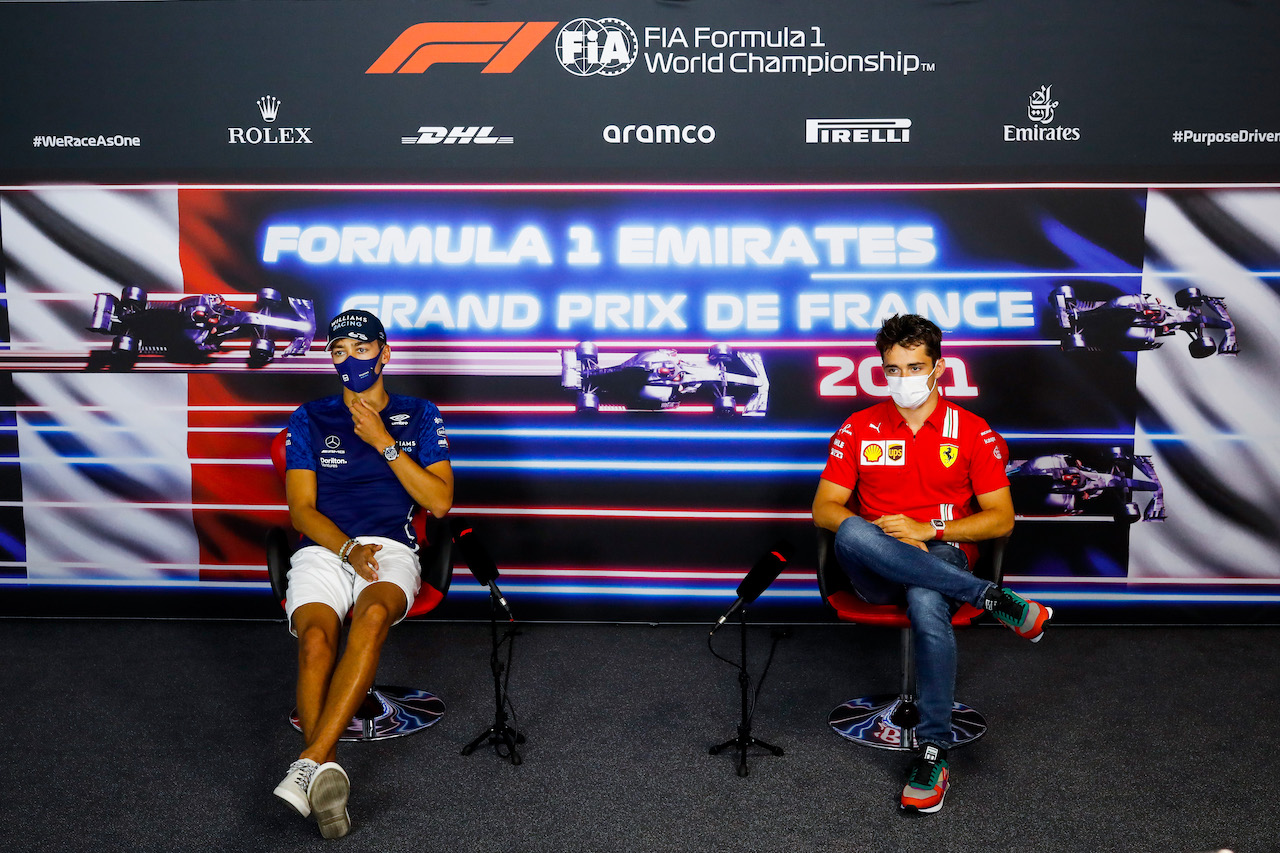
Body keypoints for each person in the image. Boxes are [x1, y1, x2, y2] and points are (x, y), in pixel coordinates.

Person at [811, 313, 1051, 815]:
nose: (903, 379)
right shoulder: (859, 427)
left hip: (942, 553)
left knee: (926, 598)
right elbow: (825, 508)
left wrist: (930, 531)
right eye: (892, 369)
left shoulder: (971, 431)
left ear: (938, 368)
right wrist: (889, 537)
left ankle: (933, 751)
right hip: (875, 568)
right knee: (853, 527)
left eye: (913, 367)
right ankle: (990, 597)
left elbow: (1001, 520)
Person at [271, 309, 453, 838]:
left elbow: (439, 503)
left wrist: (383, 441)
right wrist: (346, 547)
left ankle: (310, 762)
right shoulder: (310, 416)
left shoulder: (419, 414)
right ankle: (326, 774)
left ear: (384, 352)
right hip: (327, 547)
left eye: (360, 347)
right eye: (338, 350)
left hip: (392, 546)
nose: (349, 359)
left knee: (371, 615)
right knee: (315, 643)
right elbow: (301, 510)